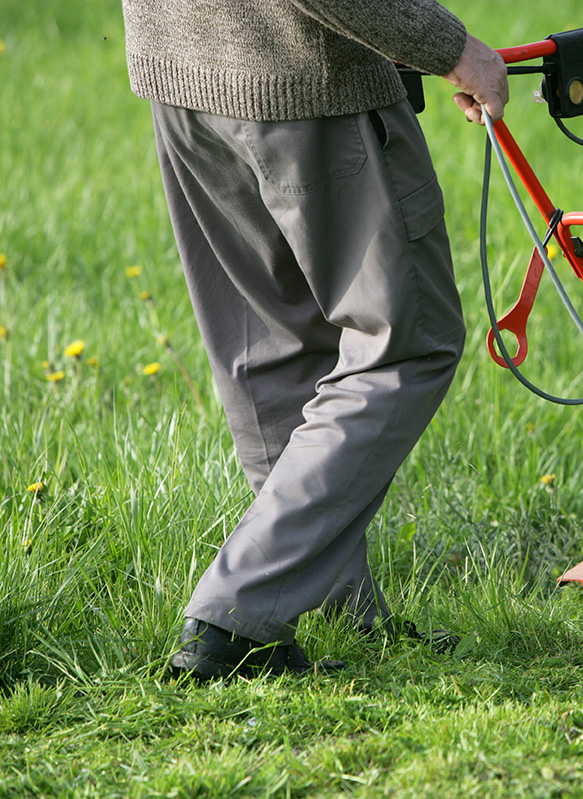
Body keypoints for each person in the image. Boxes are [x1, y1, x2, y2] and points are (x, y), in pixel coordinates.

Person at [120, 0, 509, 679]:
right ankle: (235, 614)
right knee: (404, 345)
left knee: (274, 345)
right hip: (305, 76)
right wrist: (448, 47)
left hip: (182, 74)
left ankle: (325, 603)